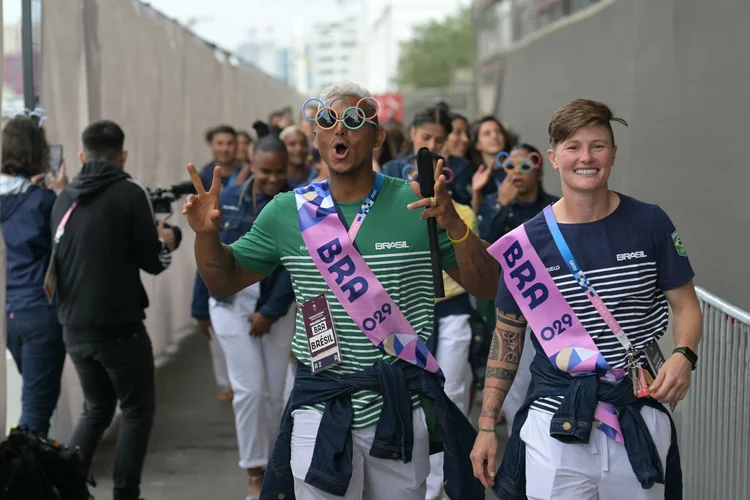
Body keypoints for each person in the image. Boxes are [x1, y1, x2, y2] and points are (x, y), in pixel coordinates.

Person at [182, 81, 498, 500]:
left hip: (401, 402)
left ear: (378, 137)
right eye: (327, 120)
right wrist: (205, 236)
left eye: (353, 120)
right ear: (316, 136)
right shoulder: (288, 211)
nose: (339, 130)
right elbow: (222, 279)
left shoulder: (420, 205)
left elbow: (489, 284)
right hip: (320, 400)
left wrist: (455, 225)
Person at [470, 99, 702, 500]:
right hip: (554, 416)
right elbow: (507, 337)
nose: (586, 157)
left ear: (613, 153)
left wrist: (684, 354)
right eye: (574, 147)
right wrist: (488, 425)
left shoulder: (650, 222)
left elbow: (685, 305)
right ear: (554, 157)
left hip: (637, 410)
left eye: (598, 145)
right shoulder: (526, 244)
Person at [50, 120, 179, 500]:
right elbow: (153, 262)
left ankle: (68, 488)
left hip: (73, 327)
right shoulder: (129, 193)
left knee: (96, 408)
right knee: (137, 410)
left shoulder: (63, 197)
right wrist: (168, 239)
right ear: (123, 156)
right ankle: (126, 493)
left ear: (80, 156)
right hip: (121, 328)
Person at [208, 135, 296, 499]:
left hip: (278, 305)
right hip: (230, 304)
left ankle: (278, 466)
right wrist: (200, 308)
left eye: (279, 172)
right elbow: (209, 256)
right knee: (248, 390)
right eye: (265, 172)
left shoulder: (300, 204)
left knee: (275, 393)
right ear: (252, 165)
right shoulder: (227, 201)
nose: (273, 179)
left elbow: (298, 267)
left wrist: (270, 312)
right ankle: (254, 471)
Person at [0, 114, 68, 436]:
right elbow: (64, 249)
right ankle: (22, 479)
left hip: (7, 309)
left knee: (32, 399)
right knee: (37, 409)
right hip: (40, 309)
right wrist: (64, 196)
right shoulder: (44, 200)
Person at [193, 124, 241, 403]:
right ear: (212, 146)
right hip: (211, 250)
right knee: (214, 323)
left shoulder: (248, 174)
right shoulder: (201, 176)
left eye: (230, 143)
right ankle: (227, 383)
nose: (225, 148)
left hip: (238, 253)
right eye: (220, 143)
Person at [381, 107, 473, 206]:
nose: (432, 145)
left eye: (439, 140)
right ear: (412, 133)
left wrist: (442, 182)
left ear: (446, 138)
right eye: (426, 137)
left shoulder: (459, 167)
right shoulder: (393, 168)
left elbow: (464, 204)